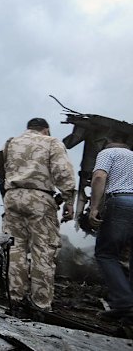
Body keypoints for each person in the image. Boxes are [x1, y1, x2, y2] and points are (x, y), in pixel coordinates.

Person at [1, 118, 76, 312]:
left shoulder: (11, 143)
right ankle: (40, 303)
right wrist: (69, 200)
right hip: (40, 200)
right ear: (46, 129)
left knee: (15, 249)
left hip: (12, 196)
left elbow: (1, 172)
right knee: (43, 250)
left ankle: (14, 298)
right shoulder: (51, 142)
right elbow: (63, 173)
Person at [89, 134, 133, 318]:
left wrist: (94, 208)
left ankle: (124, 302)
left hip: (120, 202)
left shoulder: (109, 153)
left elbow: (99, 176)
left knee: (106, 253)